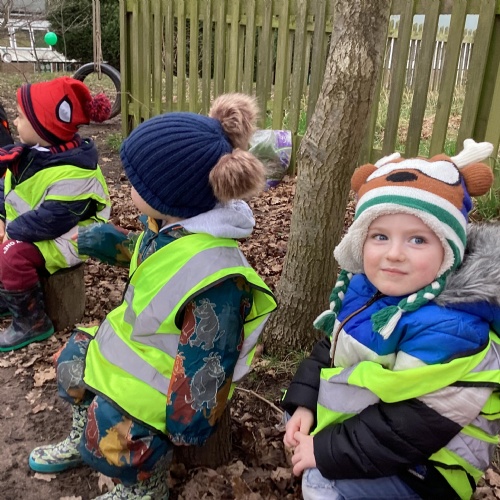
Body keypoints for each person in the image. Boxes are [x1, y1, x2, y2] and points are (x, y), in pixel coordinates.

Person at [29, 93, 278, 499]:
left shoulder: (217, 276)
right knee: (72, 359)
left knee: (111, 430)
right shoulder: (169, 226)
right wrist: (110, 243)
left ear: (169, 197)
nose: (127, 186)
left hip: (165, 384)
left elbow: (210, 353)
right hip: (130, 349)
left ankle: (145, 487)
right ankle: (80, 435)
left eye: (135, 183)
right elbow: (154, 257)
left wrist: (187, 423)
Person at [282, 139, 500, 500]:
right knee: (303, 441)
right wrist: (304, 403)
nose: (394, 254)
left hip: (431, 467)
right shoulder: (369, 290)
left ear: (449, 252)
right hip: (382, 439)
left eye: (417, 240)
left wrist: (325, 450)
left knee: (321, 482)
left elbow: (414, 423)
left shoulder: (453, 325)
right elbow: (334, 349)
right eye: (380, 236)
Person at [0, 77, 111, 352]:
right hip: (37, 227)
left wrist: (11, 232)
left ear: (44, 127)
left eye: (20, 116)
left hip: (74, 236)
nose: (15, 122)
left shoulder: (75, 171)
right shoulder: (34, 155)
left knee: (12, 254)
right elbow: (11, 191)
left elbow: (53, 219)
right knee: (6, 248)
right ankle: (11, 298)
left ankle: (32, 321)